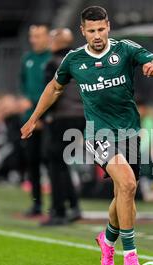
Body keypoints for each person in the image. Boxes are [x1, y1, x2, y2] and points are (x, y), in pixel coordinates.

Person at [21, 6, 153, 265]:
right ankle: (130, 254)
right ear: (83, 31)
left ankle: (106, 240)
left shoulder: (126, 49)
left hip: (129, 132)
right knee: (127, 183)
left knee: (124, 193)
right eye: (91, 30)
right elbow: (54, 88)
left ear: (108, 26)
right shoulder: (73, 60)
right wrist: (34, 118)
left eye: (101, 29)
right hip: (98, 134)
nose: (97, 35)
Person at [42, 28, 85, 226]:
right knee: (63, 162)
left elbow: (52, 92)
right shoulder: (82, 61)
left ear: (58, 42)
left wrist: (43, 116)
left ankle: (59, 211)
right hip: (82, 118)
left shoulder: (54, 63)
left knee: (55, 163)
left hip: (62, 118)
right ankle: (74, 205)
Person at [19, 23, 52, 217]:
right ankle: (37, 203)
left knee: (51, 162)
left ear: (48, 37)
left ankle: (58, 204)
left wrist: (39, 114)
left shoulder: (51, 59)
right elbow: (22, 85)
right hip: (28, 120)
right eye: (32, 36)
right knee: (32, 162)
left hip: (47, 119)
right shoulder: (27, 59)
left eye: (38, 36)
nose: (34, 40)